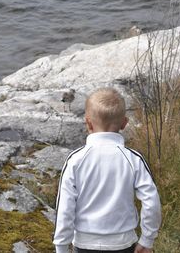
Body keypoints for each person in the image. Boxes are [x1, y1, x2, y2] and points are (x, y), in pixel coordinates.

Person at [53, 87, 161, 253]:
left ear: (88, 122)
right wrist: (147, 239)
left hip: (84, 245)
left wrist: (61, 247)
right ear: (124, 123)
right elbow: (151, 200)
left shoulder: (75, 160)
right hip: (124, 244)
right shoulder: (133, 159)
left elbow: (65, 207)